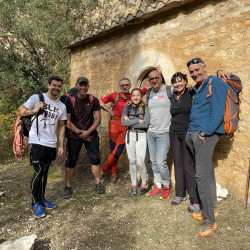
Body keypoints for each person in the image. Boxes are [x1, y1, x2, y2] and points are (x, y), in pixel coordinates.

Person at [185, 58, 228, 238]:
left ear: (205, 68)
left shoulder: (215, 82)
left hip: (205, 136)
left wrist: (205, 132)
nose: (195, 74)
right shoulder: (197, 87)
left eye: (197, 70)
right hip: (194, 134)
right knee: (208, 173)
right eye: (192, 72)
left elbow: (218, 111)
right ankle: (213, 209)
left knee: (201, 177)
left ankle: (209, 220)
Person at [17, 76, 67, 219]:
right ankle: (34, 203)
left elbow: (62, 127)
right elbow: (20, 110)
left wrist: (61, 145)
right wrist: (34, 110)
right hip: (37, 141)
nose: (56, 88)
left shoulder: (61, 106)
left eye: (59, 86)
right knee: (38, 172)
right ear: (48, 85)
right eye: (54, 85)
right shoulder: (36, 98)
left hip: (51, 143)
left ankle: (41, 199)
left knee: (45, 173)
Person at [63, 76, 104, 199]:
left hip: (91, 135)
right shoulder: (70, 100)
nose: (83, 87)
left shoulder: (93, 100)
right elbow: (67, 122)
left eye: (85, 85)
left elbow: (98, 119)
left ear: (88, 86)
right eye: (81, 85)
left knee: (95, 159)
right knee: (71, 161)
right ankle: (68, 186)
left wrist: (88, 132)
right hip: (74, 135)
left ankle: (98, 183)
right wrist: (81, 134)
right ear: (76, 86)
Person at [100, 78, 147, 183]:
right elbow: (100, 101)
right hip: (113, 124)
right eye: (122, 85)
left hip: (125, 126)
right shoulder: (115, 96)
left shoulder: (134, 95)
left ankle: (102, 169)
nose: (124, 87)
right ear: (120, 86)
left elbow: (148, 88)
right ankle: (113, 173)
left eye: (126, 85)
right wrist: (108, 110)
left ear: (130, 85)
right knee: (113, 150)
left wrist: (158, 72)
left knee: (118, 151)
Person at [169, 72, 200, 211]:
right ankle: (180, 194)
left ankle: (195, 200)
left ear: (186, 81)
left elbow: (202, 84)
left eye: (180, 81)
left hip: (187, 133)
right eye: (175, 82)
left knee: (188, 165)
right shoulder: (172, 96)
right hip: (174, 133)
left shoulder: (191, 92)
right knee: (178, 163)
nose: (177, 84)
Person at [146, 69, 173, 200]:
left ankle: (166, 186)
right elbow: (138, 100)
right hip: (151, 132)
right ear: (149, 81)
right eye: (151, 79)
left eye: (157, 77)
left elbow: (184, 91)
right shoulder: (148, 92)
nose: (154, 80)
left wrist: (190, 87)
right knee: (153, 161)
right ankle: (158, 185)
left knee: (161, 161)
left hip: (164, 132)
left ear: (161, 78)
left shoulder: (169, 90)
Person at [121, 88, 150, 196]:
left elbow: (146, 124)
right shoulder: (127, 107)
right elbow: (123, 123)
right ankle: (134, 185)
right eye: (133, 95)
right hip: (130, 136)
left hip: (142, 135)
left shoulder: (146, 108)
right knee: (132, 160)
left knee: (141, 160)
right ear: (131, 96)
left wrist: (130, 121)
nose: (135, 98)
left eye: (138, 95)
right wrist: (138, 120)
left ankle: (144, 183)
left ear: (141, 96)